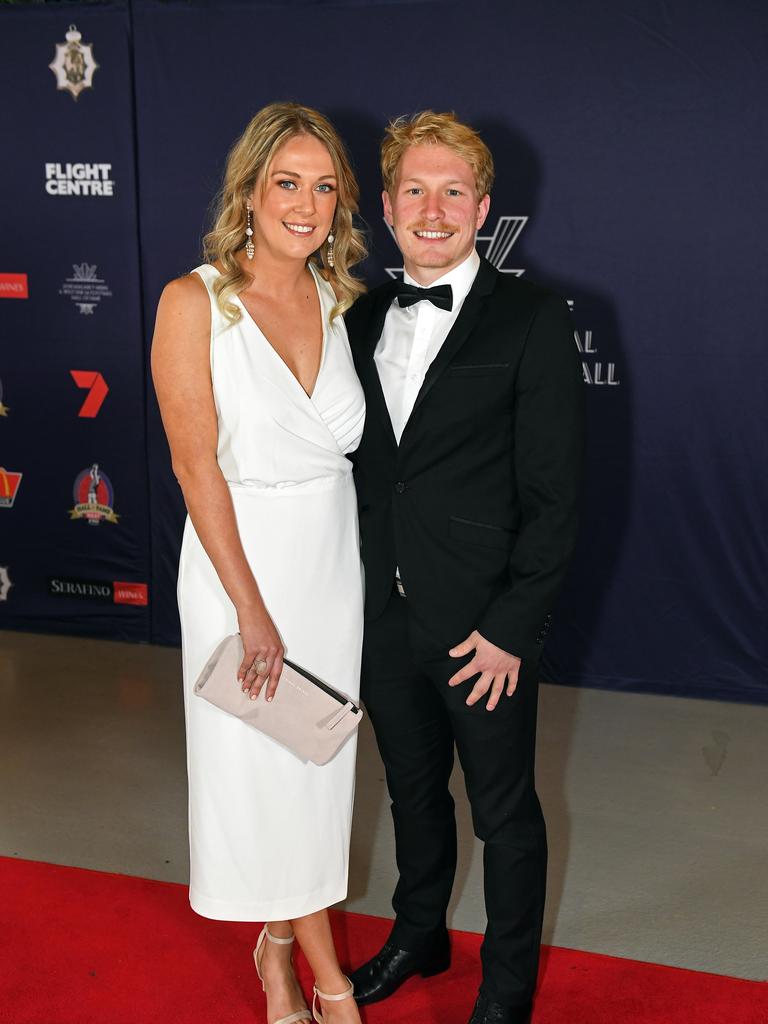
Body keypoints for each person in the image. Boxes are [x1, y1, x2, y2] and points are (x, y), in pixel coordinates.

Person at [345, 111, 584, 1024]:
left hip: (483, 626)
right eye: (415, 189)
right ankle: (419, 932)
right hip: (383, 616)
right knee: (411, 792)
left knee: (505, 815)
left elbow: (556, 497)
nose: (433, 209)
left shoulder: (534, 320)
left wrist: (514, 629)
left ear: (482, 208)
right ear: (390, 203)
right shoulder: (360, 315)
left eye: (453, 192)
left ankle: (508, 989)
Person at [152, 102, 366, 1024]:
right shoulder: (192, 301)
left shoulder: (335, 295)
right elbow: (196, 468)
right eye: (289, 182)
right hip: (240, 577)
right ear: (249, 189)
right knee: (263, 778)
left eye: (325, 188)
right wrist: (250, 608)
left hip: (329, 570)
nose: (307, 204)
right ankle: (329, 984)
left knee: (317, 777)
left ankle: (275, 948)